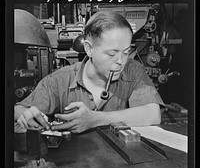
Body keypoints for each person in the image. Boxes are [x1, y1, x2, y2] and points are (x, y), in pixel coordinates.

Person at [14, 10, 164, 133]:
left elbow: (153, 114)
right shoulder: (60, 80)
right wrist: (26, 116)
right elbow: (18, 110)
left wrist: (94, 119)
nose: (121, 61)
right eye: (112, 54)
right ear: (89, 49)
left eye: (125, 52)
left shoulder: (133, 70)